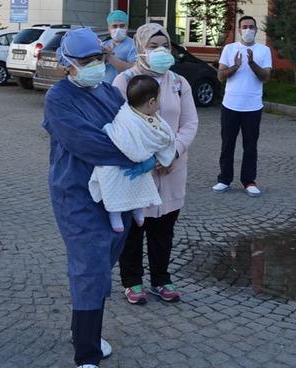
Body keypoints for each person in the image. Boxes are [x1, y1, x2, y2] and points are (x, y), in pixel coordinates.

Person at [42, 28, 156, 368]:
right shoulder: (58, 99)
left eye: (97, 58)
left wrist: (150, 146)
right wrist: (138, 155)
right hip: (76, 194)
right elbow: (89, 143)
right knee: (89, 267)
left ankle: (85, 334)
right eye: (85, 61)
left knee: (101, 264)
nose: (94, 65)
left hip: (114, 196)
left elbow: (135, 124)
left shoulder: (108, 92)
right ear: (67, 64)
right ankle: (87, 352)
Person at [114, 23, 199, 304]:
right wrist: (149, 158)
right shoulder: (124, 81)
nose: (161, 51)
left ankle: (161, 279)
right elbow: (120, 125)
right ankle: (132, 281)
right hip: (139, 169)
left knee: (164, 228)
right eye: (153, 46)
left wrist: (171, 153)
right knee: (135, 228)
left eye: (165, 46)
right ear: (140, 48)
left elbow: (189, 123)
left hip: (172, 168)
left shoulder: (178, 82)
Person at [89, 75, 176, 233]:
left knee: (140, 180)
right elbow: (123, 138)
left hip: (141, 163)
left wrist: (153, 158)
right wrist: (139, 155)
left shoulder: (152, 116)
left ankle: (138, 208)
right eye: (160, 97)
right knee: (112, 179)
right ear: (151, 102)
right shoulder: (126, 117)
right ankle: (114, 212)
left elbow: (162, 138)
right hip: (117, 162)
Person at [213, 15, 272, 197]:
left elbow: (265, 77)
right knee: (227, 144)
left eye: (251, 27)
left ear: (256, 30)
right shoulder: (229, 49)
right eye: (244, 27)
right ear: (239, 30)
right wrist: (236, 66)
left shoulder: (263, 51)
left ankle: (249, 181)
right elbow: (220, 76)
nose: (248, 30)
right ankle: (224, 179)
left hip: (253, 107)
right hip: (230, 105)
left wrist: (252, 62)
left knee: (250, 146)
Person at [102, 9, 137, 84]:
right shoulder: (104, 45)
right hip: (104, 87)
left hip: (123, 88)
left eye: (122, 26)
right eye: (114, 26)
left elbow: (133, 70)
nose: (118, 29)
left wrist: (110, 57)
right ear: (109, 29)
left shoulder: (134, 45)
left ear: (127, 27)